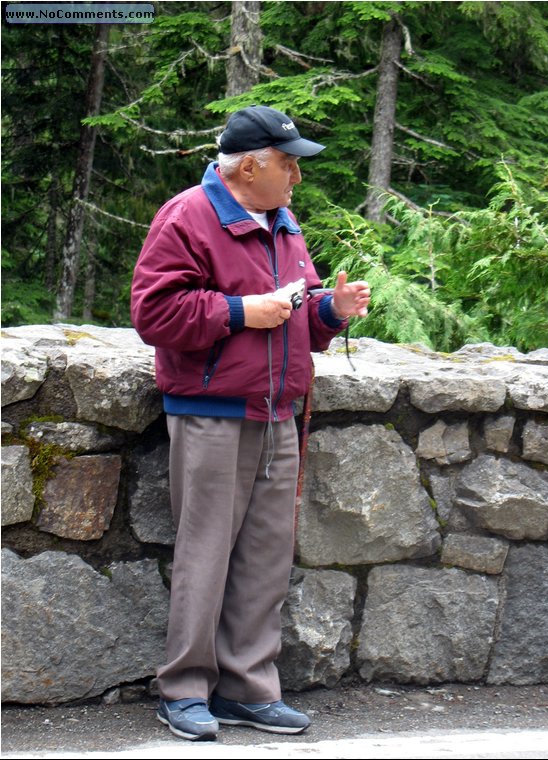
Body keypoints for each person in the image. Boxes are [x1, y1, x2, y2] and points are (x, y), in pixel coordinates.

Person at [131, 105, 370, 742]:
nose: (297, 176)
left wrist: (330, 311)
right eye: (288, 163)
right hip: (212, 414)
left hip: (277, 414)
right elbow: (154, 313)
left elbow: (296, 312)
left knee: (266, 559)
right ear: (248, 165)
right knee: (204, 557)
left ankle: (247, 690)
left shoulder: (282, 221)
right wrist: (240, 312)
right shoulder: (187, 216)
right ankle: (183, 691)